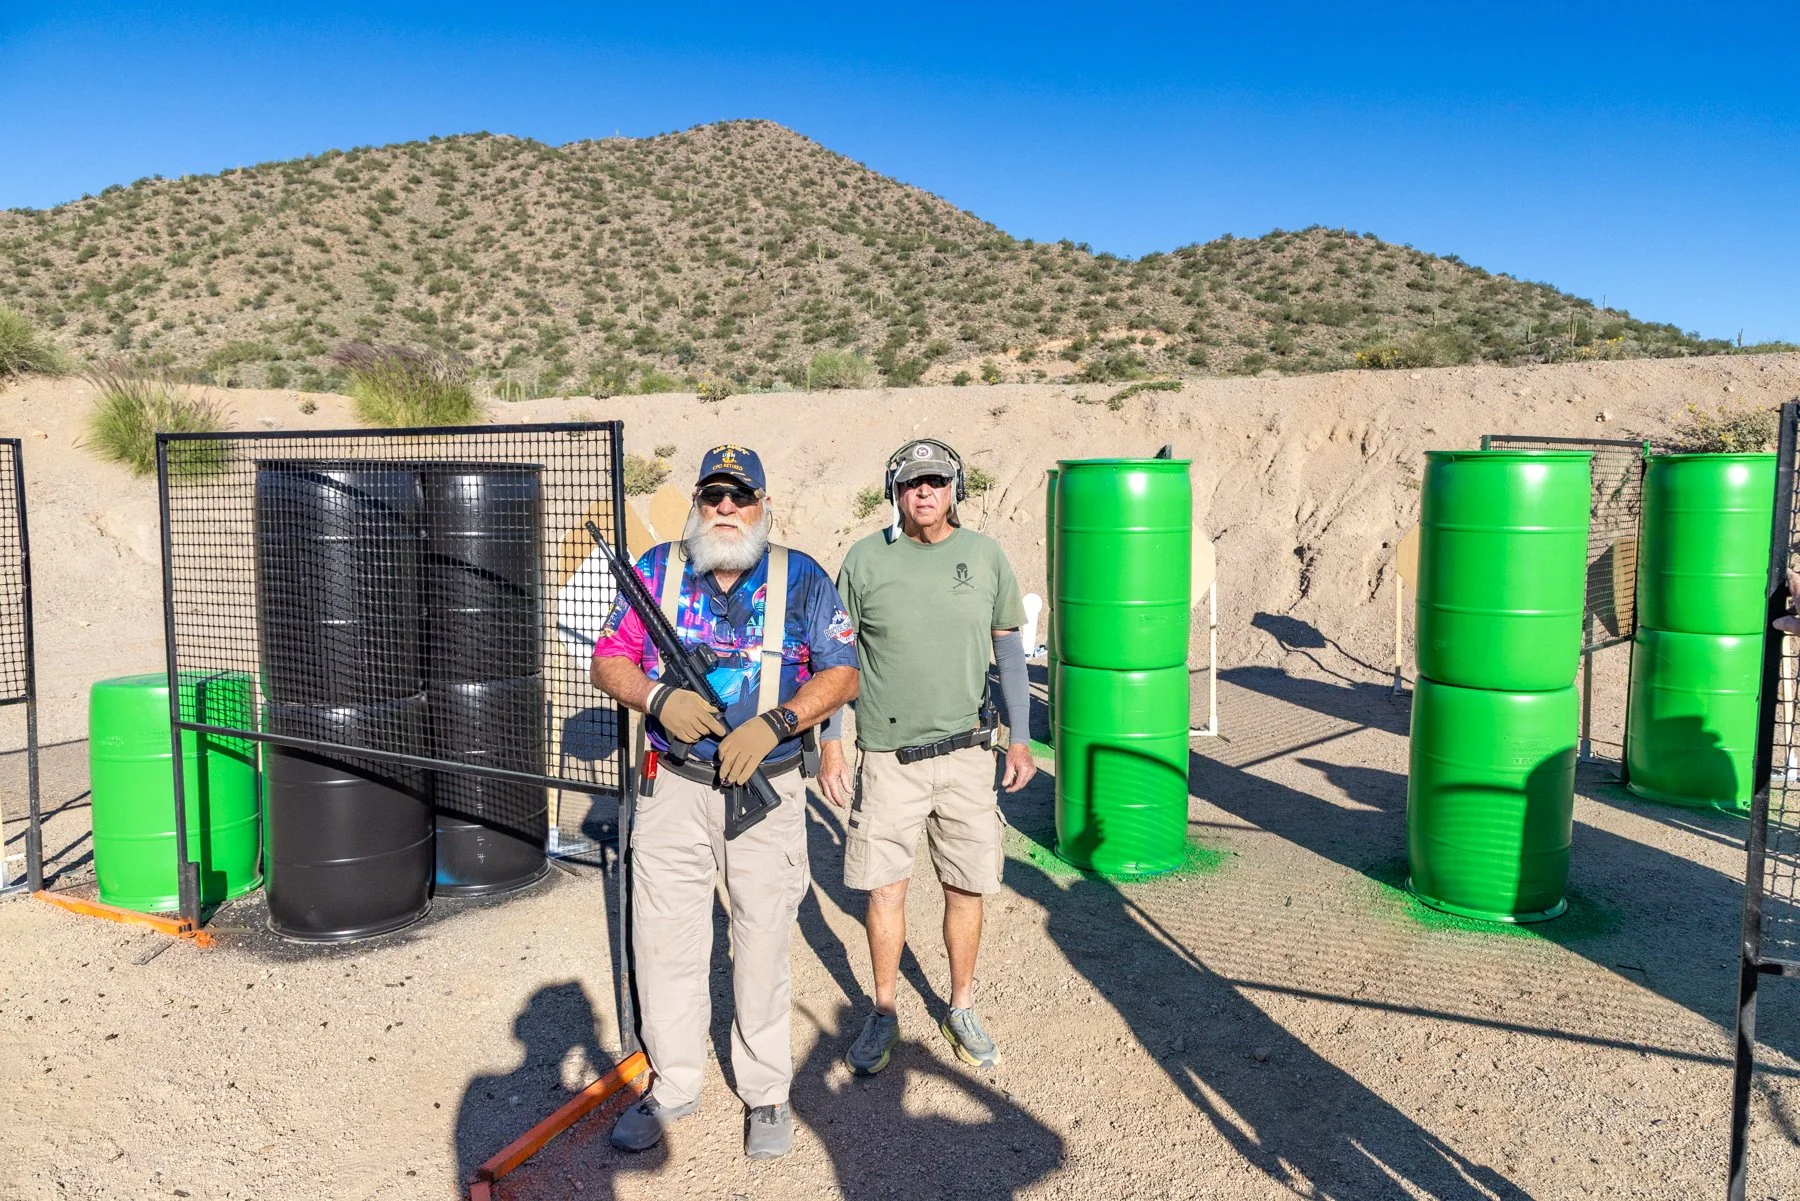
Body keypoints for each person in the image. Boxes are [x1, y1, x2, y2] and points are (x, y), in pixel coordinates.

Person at [590, 443, 859, 1159]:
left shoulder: (800, 577)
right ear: (698, 504)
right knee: (664, 939)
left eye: (741, 497)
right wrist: (657, 697)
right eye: (714, 496)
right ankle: (674, 1081)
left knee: (762, 939)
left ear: (764, 505)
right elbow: (608, 658)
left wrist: (779, 722)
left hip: (766, 788)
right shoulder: (657, 571)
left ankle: (766, 1091)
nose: (727, 509)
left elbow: (843, 673)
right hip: (673, 786)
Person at [819, 437, 1036, 1076]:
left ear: (953, 490)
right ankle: (884, 1010)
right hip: (889, 759)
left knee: (965, 885)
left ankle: (961, 1006)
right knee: (886, 889)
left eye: (936, 481)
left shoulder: (986, 556)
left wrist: (1020, 737)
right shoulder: (865, 560)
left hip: (968, 755)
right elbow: (836, 657)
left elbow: (1009, 652)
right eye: (912, 482)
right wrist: (831, 741)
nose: (924, 492)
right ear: (895, 492)